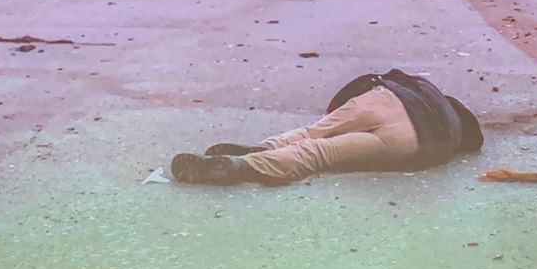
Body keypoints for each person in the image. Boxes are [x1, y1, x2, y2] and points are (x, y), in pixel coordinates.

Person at [169, 68, 483, 185]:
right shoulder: (452, 130)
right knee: (318, 153)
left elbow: (355, 88)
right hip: (414, 141)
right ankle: (244, 165)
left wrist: (337, 117)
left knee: (313, 133)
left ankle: (268, 146)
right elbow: (475, 140)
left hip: (384, 98)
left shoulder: (423, 87)